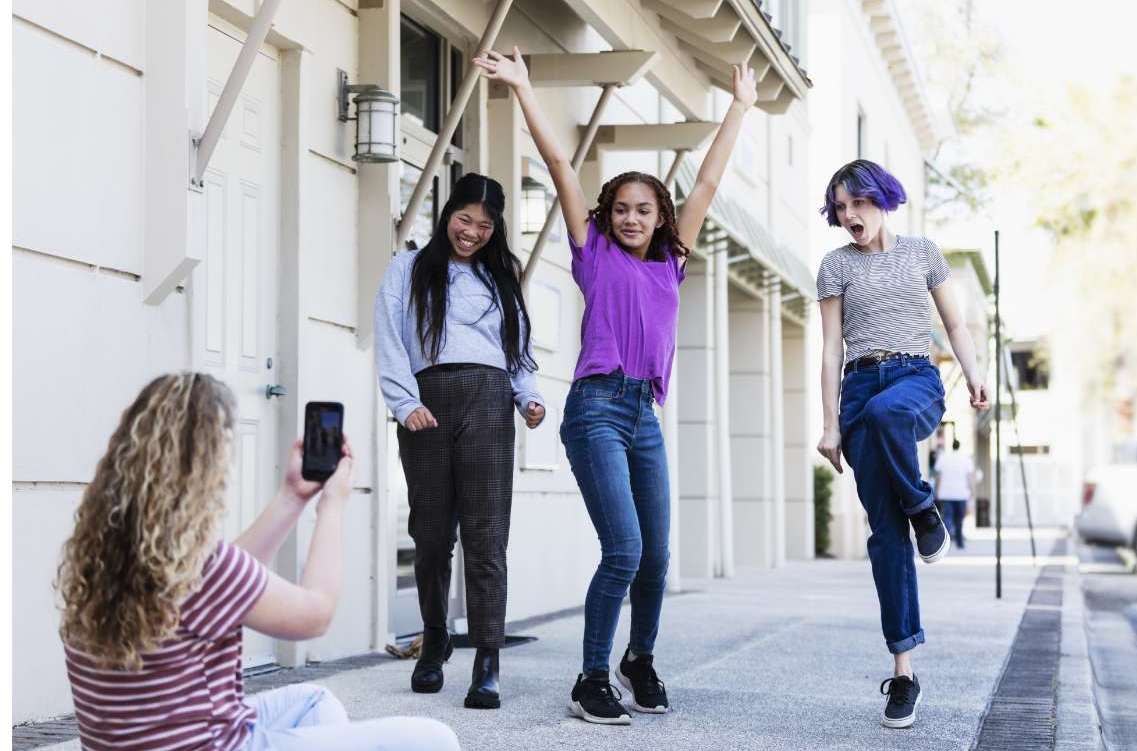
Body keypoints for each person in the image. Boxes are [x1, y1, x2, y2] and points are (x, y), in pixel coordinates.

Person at [474, 46, 757, 725]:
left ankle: (640, 659)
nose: (633, 218)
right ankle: (590, 678)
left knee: (657, 556)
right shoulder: (592, 252)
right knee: (624, 548)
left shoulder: (671, 264)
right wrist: (523, 88)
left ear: (661, 218)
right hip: (596, 409)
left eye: (645, 210)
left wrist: (739, 109)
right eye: (622, 209)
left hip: (644, 416)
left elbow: (707, 187)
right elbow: (562, 166)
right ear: (608, 216)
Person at [56, 372, 460, 750]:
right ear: (204, 469)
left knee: (315, 703)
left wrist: (293, 495)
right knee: (433, 739)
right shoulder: (205, 569)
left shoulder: (98, 560)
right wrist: (332, 504)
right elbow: (315, 615)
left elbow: (230, 577)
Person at [814, 160, 990, 730]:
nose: (848, 216)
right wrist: (830, 424)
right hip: (858, 385)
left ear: (880, 199)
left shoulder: (923, 253)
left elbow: (956, 325)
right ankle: (905, 672)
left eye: (856, 204)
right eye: (839, 209)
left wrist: (976, 373)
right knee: (886, 537)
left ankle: (923, 504)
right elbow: (831, 347)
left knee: (890, 415)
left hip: (915, 380)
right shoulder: (835, 265)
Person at [375, 173, 545, 710]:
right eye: (464, 219)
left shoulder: (501, 280)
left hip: (489, 402)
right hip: (427, 404)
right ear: (448, 213)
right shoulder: (408, 268)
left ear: (496, 230)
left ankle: (487, 659)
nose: (471, 232)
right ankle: (435, 639)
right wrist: (405, 403)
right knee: (429, 536)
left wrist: (528, 397)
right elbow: (388, 336)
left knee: (486, 537)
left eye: (485, 225)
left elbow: (517, 345)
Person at [934, 439, 975, 549]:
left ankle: (947, 542)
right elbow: (969, 476)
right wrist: (971, 491)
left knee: (947, 517)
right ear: (959, 446)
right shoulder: (965, 458)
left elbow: (938, 475)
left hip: (946, 493)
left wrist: (937, 490)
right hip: (961, 493)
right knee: (959, 518)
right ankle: (960, 542)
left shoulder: (943, 457)